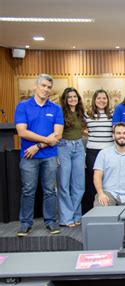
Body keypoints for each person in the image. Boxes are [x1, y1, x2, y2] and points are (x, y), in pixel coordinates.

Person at [14, 74, 64, 236]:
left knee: (50, 190)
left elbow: (57, 135)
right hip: (29, 157)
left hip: (49, 155)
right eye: (43, 86)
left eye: (49, 87)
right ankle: (25, 223)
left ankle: (50, 222)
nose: (46, 90)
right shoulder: (23, 106)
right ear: (35, 87)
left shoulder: (56, 109)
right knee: (28, 190)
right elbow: (22, 131)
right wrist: (45, 140)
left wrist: (38, 145)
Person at [93, 122, 125, 206]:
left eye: (124, 133)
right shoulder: (103, 154)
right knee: (100, 210)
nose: (122, 136)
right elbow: (97, 176)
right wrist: (100, 193)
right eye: (118, 133)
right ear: (113, 135)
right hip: (108, 194)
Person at [57, 87, 86, 227]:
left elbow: (82, 130)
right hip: (64, 147)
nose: (73, 99)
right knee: (64, 184)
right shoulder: (60, 113)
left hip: (79, 147)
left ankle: (76, 215)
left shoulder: (80, 113)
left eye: (75, 96)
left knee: (79, 185)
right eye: (69, 97)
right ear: (65, 99)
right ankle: (66, 218)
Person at [83, 89, 114, 213]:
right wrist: (90, 134)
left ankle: (107, 206)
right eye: (99, 98)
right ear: (94, 100)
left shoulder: (113, 113)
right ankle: (91, 210)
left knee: (108, 179)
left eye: (104, 98)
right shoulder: (88, 114)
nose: (102, 100)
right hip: (93, 152)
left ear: (108, 100)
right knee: (92, 180)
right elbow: (80, 128)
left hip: (109, 151)